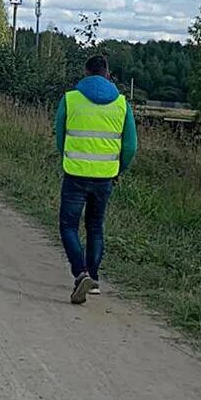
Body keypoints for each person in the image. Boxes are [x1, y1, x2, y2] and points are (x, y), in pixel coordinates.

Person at [54, 53, 138, 305]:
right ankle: (94, 278)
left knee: (68, 226)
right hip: (104, 177)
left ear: (86, 72)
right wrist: (117, 170)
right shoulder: (122, 104)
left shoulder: (70, 99)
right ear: (108, 74)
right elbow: (131, 146)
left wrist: (68, 157)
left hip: (75, 173)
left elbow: (60, 135)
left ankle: (80, 273)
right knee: (95, 226)